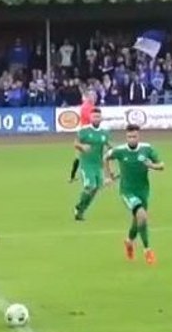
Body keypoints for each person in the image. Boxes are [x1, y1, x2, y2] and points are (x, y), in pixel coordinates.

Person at [106, 124, 164, 265]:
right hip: (127, 191)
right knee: (142, 216)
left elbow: (162, 165)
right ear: (126, 137)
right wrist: (109, 175)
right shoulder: (120, 151)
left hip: (143, 190)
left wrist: (151, 166)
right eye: (129, 137)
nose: (132, 139)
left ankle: (129, 242)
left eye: (134, 136)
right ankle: (147, 251)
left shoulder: (147, 149)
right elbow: (105, 158)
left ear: (139, 136)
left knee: (138, 220)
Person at [73, 108, 112, 221]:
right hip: (86, 164)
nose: (96, 118)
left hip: (98, 165)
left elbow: (108, 145)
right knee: (90, 186)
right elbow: (75, 143)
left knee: (96, 189)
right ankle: (78, 208)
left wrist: (114, 150)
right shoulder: (84, 131)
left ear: (101, 118)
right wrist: (82, 147)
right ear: (90, 118)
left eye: (98, 116)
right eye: (94, 116)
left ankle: (81, 210)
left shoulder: (104, 133)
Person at [69, 91, 97, 182]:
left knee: (81, 155)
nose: (95, 98)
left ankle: (73, 176)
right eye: (93, 96)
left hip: (86, 131)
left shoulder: (88, 106)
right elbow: (91, 119)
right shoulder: (87, 107)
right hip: (86, 132)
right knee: (84, 154)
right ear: (89, 97)